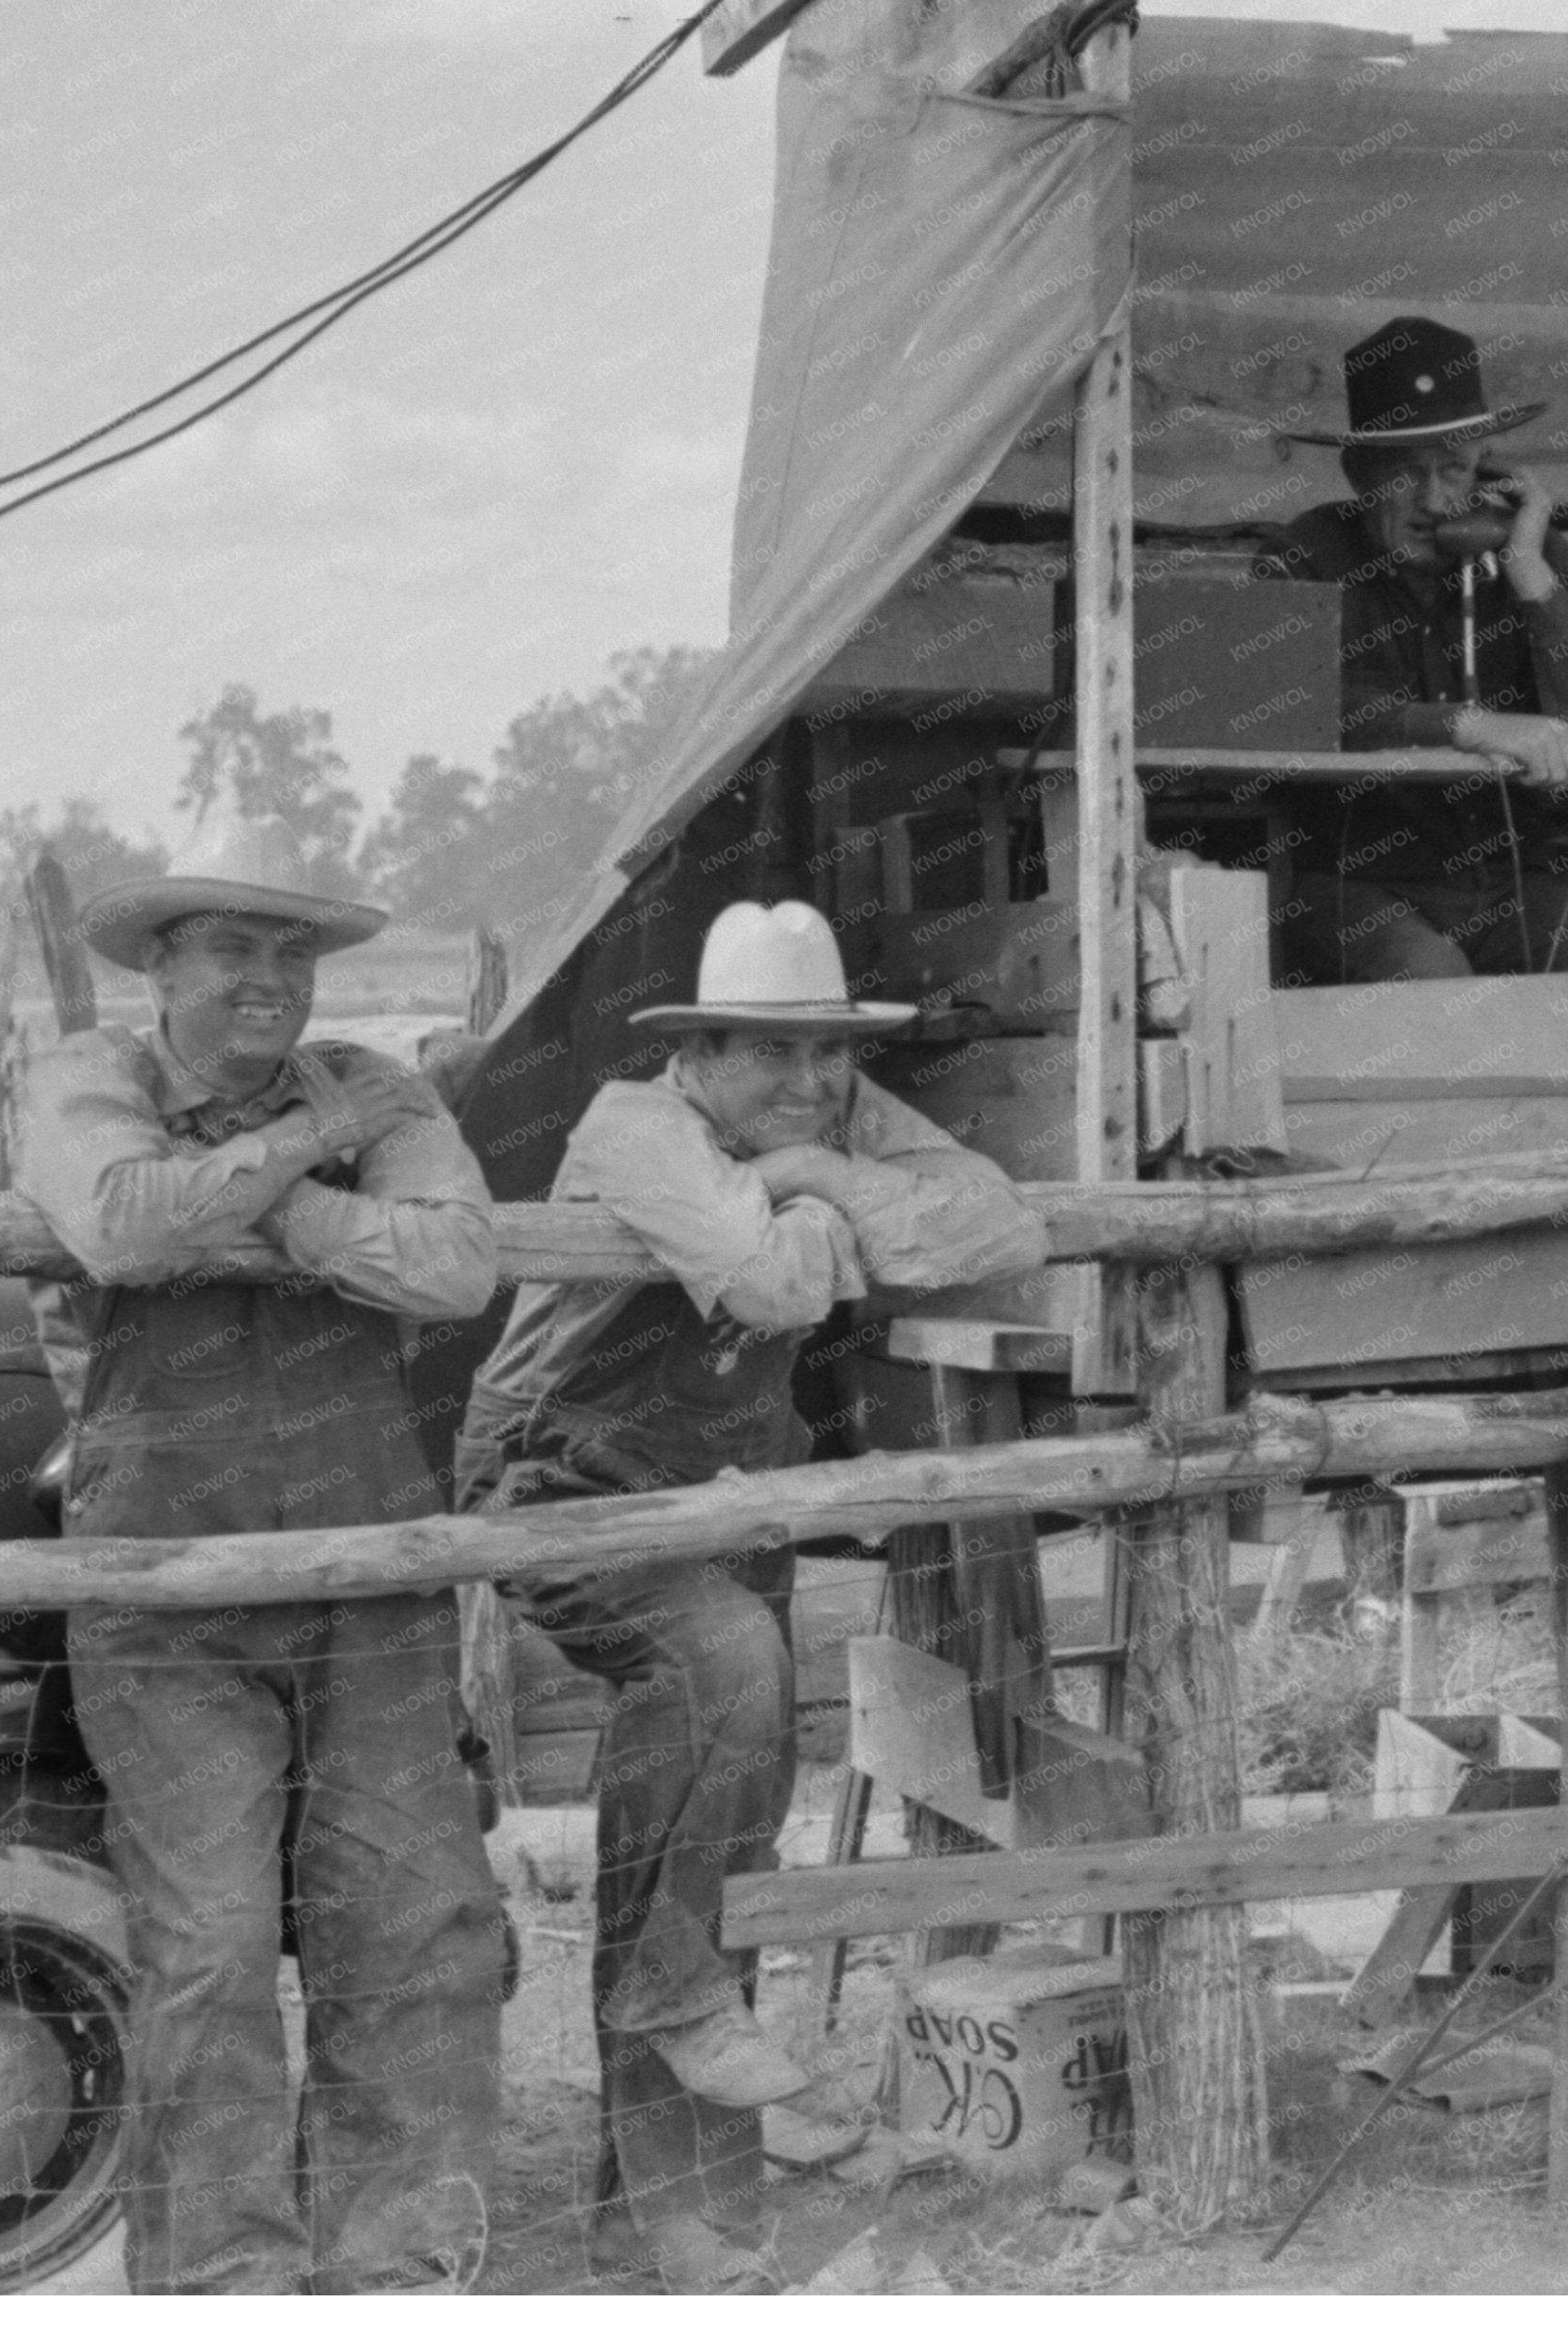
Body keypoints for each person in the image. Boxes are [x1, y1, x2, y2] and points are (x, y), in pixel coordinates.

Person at [454, 900, 1047, 2293]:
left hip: (727, 1480)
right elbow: (781, 1289)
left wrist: (804, 1167)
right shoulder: (631, 1128)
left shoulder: (824, 1112)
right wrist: (831, 1197)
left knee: (722, 1810)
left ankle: (669, 2215)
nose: (806, 1083)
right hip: (565, 1472)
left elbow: (998, 1222)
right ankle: (673, 2003)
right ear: (697, 1053)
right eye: (768, 1055)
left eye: (824, 1056)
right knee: (722, 1667)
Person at [15, 809, 506, 2292]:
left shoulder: (378, 1082)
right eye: (232, 945)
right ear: (161, 960)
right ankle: (228, 2285)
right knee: (213, 1944)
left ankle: (401, 2262)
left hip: (367, 1563)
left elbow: (460, 1262)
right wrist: (311, 1161)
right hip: (168, 1581)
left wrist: (272, 1201)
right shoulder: (85, 1074)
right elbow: (118, 1224)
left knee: (411, 1918)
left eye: (292, 950)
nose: (267, 978)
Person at [1255, 315, 1568, 981]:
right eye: (1408, 474)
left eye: (1455, 471)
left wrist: (1532, 571)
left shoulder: (1521, 552)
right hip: (1358, 881)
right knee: (1433, 991)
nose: (1438, 500)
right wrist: (1470, 727)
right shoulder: (1307, 553)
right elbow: (1292, 705)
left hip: (1507, 886)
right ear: (1360, 472)